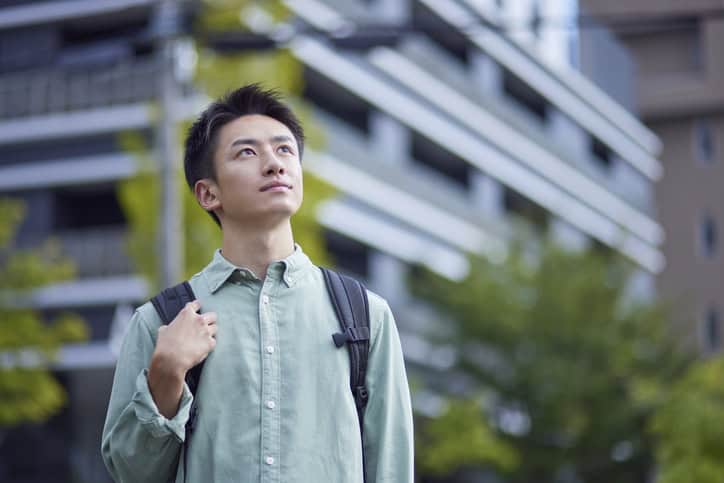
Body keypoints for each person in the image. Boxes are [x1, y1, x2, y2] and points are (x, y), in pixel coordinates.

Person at [101, 84, 414, 483]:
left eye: (285, 150)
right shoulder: (159, 323)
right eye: (247, 152)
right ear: (208, 193)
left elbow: (392, 467)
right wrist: (166, 376)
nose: (274, 164)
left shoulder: (365, 315)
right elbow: (130, 473)